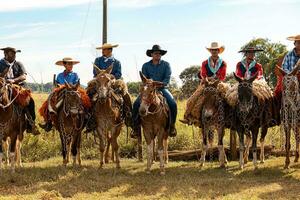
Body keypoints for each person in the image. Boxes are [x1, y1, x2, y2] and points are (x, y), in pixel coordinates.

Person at [131, 44, 177, 138]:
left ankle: (172, 126)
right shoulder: (146, 66)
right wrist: (149, 84)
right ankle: (135, 128)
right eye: (156, 53)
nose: (158, 55)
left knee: (172, 103)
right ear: (151, 54)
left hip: (162, 88)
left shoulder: (166, 65)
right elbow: (144, 80)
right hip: (148, 90)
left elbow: (167, 79)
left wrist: (158, 83)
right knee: (136, 104)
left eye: (159, 53)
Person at [86, 43, 133, 131]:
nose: (102, 51)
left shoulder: (116, 62)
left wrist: (110, 77)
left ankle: (128, 115)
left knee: (125, 95)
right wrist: (101, 76)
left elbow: (118, 74)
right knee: (88, 93)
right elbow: (95, 73)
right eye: (102, 49)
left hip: (113, 81)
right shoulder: (98, 60)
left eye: (104, 49)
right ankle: (89, 118)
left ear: (110, 50)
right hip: (99, 81)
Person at [181, 42, 227, 125]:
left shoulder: (223, 63)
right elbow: (203, 74)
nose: (214, 51)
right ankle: (189, 117)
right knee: (192, 99)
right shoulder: (205, 63)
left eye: (216, 50)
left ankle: (230, 119)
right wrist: (208, 79)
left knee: (229, 98)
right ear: (210, 51)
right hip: (206, 83)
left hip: (219, 83)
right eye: (212, 50)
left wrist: (216, 79)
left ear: (218, 51)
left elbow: (223, 76)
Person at [0, 47, 40, 135]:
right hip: (2, 86)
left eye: (15, 53)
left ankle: (31, 124)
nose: (14, 55)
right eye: (12, 53)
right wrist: (3, 78)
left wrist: (13, 80)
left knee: (30, 101)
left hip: (17, 87)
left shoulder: (18, 64)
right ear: (5, 54)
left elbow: (24, 76)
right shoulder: (0, 63)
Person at [39, 57, 83, 131]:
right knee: (49, 101)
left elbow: (76, 84)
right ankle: (48, 121)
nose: (71, 65)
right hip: (61, 92)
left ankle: (86, 118)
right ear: (64, 65)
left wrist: (70, 86)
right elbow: (57, 84)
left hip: (72, 92)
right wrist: (59, 86)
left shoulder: (75, 75)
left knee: (84, 101)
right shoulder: (60, 75)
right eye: (69, 64)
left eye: (71, 64)